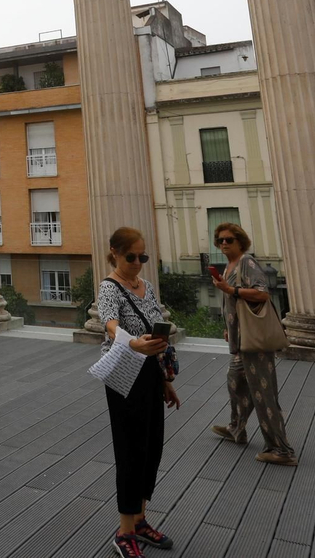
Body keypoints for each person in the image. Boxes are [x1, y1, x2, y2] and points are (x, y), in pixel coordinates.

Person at [95, 226, 180, 557]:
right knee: (130, 451)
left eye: (142, 256)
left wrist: (165, 381)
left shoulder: (147, 286)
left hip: (150, 373)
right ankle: (125, 531)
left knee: (150, 449)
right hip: (123, 372)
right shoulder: (109, 287)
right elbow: (109, 322)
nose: (137, 262)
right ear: (115, 253)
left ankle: (141, 519)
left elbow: (158, 332)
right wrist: (132, 342)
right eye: (131, 256)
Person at [209, 221, 296, 465]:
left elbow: (262, 293)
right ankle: (237, 428)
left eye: (229, 240)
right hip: (240, 340)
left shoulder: (247, 262)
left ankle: (281, 450)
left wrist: (231, 289)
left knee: (264, 395)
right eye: (220, 240)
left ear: (240, 242)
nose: (223, 244)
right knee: (235, 382)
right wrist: (229, 328)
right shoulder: (229, 266)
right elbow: (231, 302)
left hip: (254, 342)